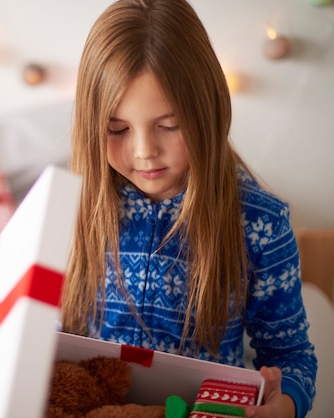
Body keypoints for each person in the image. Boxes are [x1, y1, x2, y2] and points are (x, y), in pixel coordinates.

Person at [59, 1, 317, 417]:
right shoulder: (73, 204)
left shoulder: (261, 225)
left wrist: (284, 404)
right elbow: (56, 335)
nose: (144, 152)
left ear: (208, 109)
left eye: (169, 125)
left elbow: (291, 355)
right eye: (117, 129)